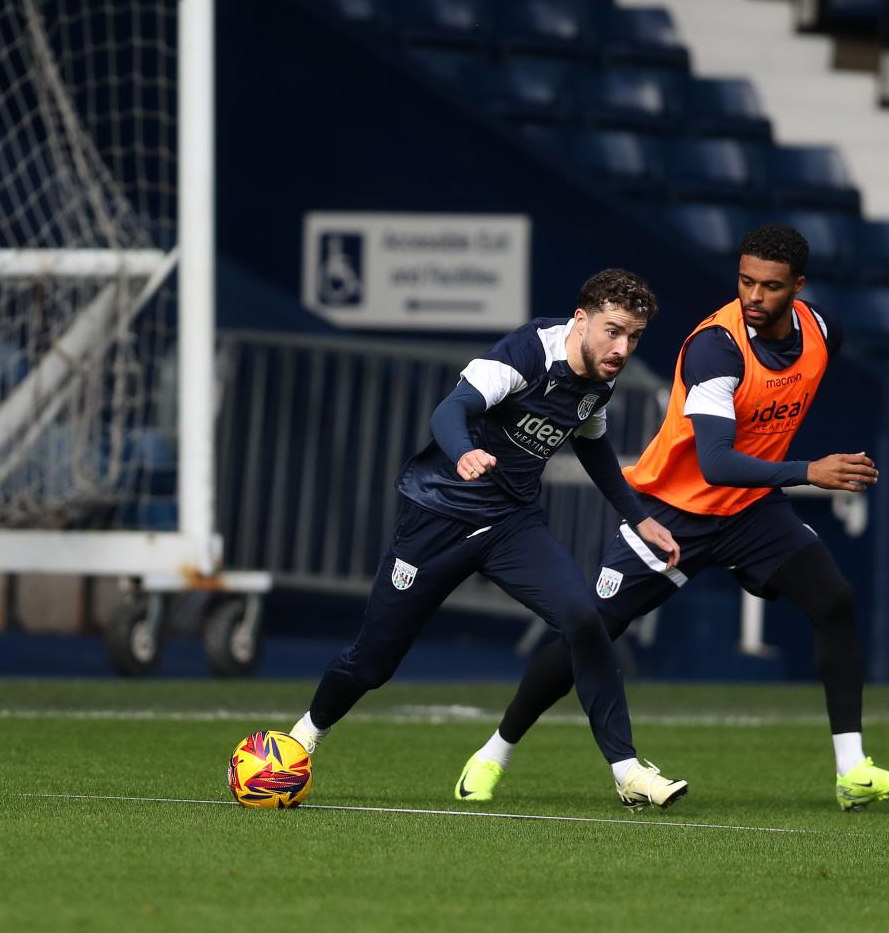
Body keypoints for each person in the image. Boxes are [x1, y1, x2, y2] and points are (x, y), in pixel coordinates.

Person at [453, 224, 889, 812]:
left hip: (749, 511)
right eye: (745, 280)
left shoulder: (824, 331)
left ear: (798, 287)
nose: (753, 296)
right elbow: (717, 461)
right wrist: (810, 471)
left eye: (770, 287)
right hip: (672, 512)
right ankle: (495, 751)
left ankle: (852, 771)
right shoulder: (714, 347)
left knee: (834, 600)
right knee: (590, 634)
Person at [289, 269, 690, 810]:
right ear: (581, 319)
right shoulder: (525, 353)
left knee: (584, 620)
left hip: (511, 524)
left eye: (634, 337)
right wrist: (463, 452)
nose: (622, 348)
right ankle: (304, 737)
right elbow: (450, 409)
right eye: (613, 331)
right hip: (438, 516)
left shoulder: (601, 376)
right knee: (372, 663)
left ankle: (626, 770)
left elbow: (591, 443)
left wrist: (637, 516)